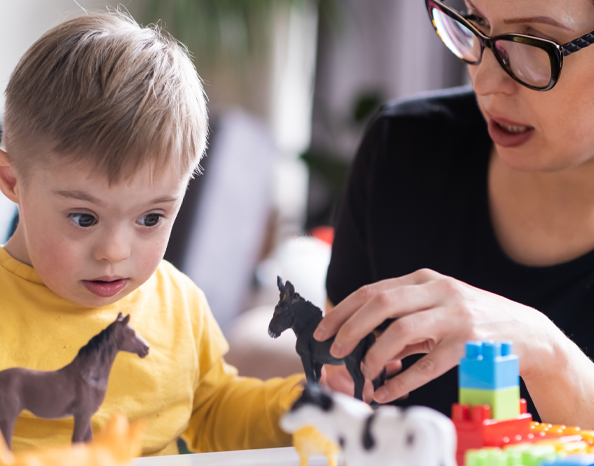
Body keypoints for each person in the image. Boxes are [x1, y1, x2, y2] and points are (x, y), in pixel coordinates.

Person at [0, 11, 303, 455]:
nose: (115, 252)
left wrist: (305, 406)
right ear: (12, 181)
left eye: (150, 219)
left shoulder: (179, 303)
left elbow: (212, 411)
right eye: (83, 218)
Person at [314, 0, 594, 429]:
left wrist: (549, 356)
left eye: (535, 44)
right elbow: (340, 407)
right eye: (477, 23)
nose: (485, 80)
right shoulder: (403, 151)